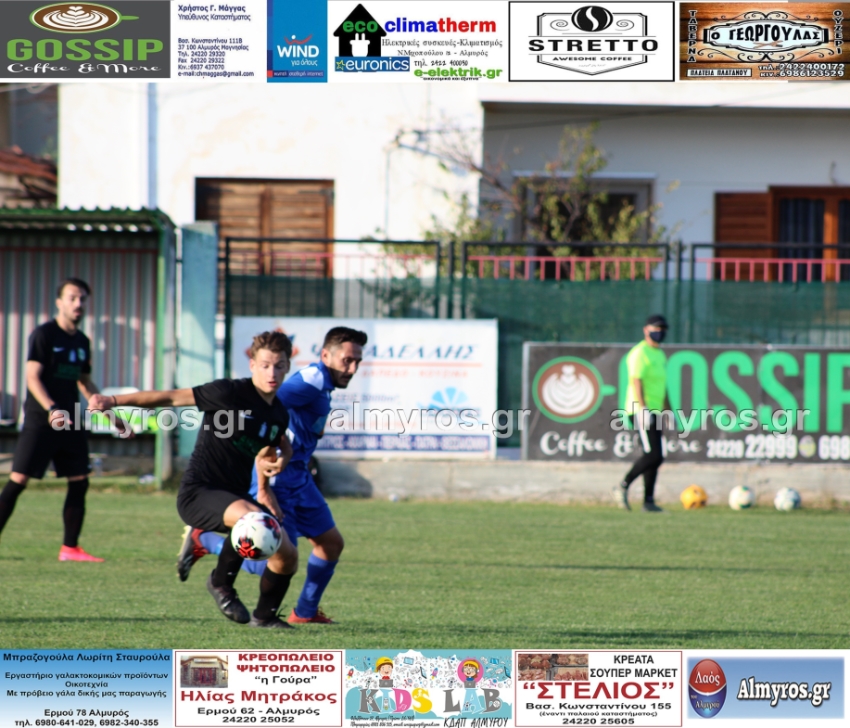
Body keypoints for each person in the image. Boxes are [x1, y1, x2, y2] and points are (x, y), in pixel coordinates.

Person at [89, 331, 299, 628]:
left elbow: (273, 446)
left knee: (287, 555)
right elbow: (171, 397)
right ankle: (220, 583)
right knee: (254, 522)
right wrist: (112, 400)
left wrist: (277, 466)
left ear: (288, 366)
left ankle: (265, 617)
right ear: (252, 364)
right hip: (200, 492)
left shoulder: (278, 413)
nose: (272, 373)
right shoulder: (228, 392)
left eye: (279, 366)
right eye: (265, 365)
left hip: (236, 497)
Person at [177, 326, 367, 625]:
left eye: (357, 361)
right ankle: (206, 539)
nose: (352, 368)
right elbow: (267, 407)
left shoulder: (324, 384)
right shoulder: (311, 379)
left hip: (300, 478)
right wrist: (264, 464)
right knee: (267, 556)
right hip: (279, 479)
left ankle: (304, 613)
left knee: (331, 544)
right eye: (347, 360)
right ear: (325, 356)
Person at [0, 278, 117, 561]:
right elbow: (32, 377)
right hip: (42, 420)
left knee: (80, 480)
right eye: (72, 298)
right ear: (59, 302)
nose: (78, 304)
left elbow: (84, 382)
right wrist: (52, 408)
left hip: (71, 420)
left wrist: (113, 417)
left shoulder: (82, 341)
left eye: (82, 299)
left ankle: (70, 548)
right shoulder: (44, 335)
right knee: (18, 480)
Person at [612, 314, 668, 513]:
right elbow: (636, 381)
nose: (659, 332)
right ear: (646, 330)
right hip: (639, 410)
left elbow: (662, 385)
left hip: (655, 410)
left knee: (656, 456)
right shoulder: (639, 352)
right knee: (653, 454)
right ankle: (622, 486)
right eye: (656, 328)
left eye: (662, 329)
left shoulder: (659, 354)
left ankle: (648, 501)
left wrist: (668, 409)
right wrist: (643, 409)